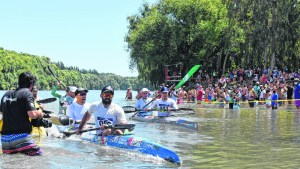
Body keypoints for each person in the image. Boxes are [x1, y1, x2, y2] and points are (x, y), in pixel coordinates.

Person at [0, 71, 44, 155]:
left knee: (12, 163)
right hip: (21, 137)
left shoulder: (6, 94)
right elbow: (33, 115)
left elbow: (1, 113)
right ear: (31, 84)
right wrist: (40, 112)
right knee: (39, 158)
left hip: (5, 139)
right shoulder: (27, 93)